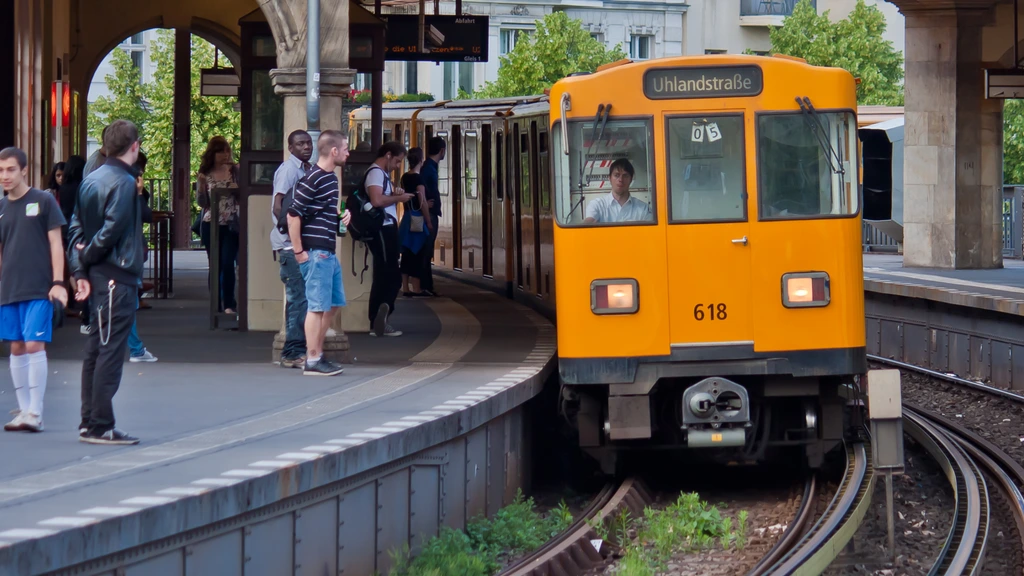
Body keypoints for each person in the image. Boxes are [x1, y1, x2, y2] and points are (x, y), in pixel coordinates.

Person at [68, 119, 144, 445]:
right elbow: (112, 230)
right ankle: (100, 423)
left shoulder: (91, 179)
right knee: (110, 349)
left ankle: (90, 420)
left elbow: (76, 229)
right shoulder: (125, 182)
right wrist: (87, 260)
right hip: (117, 273)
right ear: (135, 147)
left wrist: (79, 270)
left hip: (98, 274)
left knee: (96, 348)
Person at [0, 147, 68, 433]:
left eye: (11, 169)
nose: (5, 176)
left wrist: (58, 282)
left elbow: (56, 243)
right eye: (1, 170)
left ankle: (36, 412)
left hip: (39, 286)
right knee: (15, 346)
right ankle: (24, 409)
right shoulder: (1, 208)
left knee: (33, 344)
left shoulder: (43, 201)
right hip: (10, 288)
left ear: (24, 170)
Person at [287, 130, 352, 377]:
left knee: (332, 304)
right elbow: (294, 214)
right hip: (316, 252)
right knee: (316, 306)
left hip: (327, 251)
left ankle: (317, 354)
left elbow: (320, 212)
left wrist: (341, 217)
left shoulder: (331, 179)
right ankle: (313, 358)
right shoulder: (314, 178)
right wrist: (299, 252)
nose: (348, 152)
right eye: (345, 148)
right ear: (333, 151)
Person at [272, 130, 313, 369]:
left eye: (308, 142)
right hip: (289, 244)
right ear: (291, 147)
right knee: (298, 300)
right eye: (300, 144)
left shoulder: (305, 169)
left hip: (295, 242)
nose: (306, 147)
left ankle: (297, 349)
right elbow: (279, 205)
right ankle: (292, 352)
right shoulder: (289, 170)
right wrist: (290, 231)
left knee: (302, 299)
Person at [365, 142, 414, 337]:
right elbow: (377, 200)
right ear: (387, 155)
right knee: (390, 274)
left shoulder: (381, 174)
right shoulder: (376, 173)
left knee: (384, 273)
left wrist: (394, 193)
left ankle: (379, 316)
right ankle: (381, 315)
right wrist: (397, 199)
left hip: (385, 228)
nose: (397, 166)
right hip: (382, 229)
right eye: (397, 161)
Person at [196, 136, 240, 316]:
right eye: (220, 151)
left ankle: (229, 302)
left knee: (228, 262)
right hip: (211, 222)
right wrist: (200, 185)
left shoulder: (235, 170)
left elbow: (243, 193)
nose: (224, 154)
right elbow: (201, 203)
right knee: (215, 263)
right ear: (212, 153)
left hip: (231, 221)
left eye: (226, 150)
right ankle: (216, 302)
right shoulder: (205, 173)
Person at [127, 151, 156, 363]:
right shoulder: (133, 192)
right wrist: (138, 193)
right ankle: (135, 348)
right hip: (129, 251)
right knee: (127, 303)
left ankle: (135, 347)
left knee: (123, 303)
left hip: (114, 253)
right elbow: (145, 216)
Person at [57, 156, 91, 334]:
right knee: (83, 269)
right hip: (79, 230)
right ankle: (84, 309)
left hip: (65, 229)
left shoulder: (63, 189)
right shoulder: (83, 188)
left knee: (72, 267)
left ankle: (75, 294)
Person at [398, 147, 434, 297]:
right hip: (417, 220)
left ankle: (405, 287)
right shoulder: (418, 179)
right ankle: (417, 288)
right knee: (418, 252)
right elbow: (422, 201)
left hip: (407, 218)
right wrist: (429, 221)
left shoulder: (405, 177)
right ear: (421, 161)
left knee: (406, 253)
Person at [583, 159, 652, 224]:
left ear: (631, 179)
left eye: (625, 176)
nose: (620, 179)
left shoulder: (644, 209)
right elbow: (588, 223)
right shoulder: (597, 205)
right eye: (616, 175)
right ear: (609, 178)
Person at [419, 137, 444, 297]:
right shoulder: (429, 169)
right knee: (426, 251)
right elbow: (423, 190)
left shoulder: (428, 167)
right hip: (430, 214)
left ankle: (426, 284)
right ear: (442, 151)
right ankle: (425, 284)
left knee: (427, 251)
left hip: (431, 213)